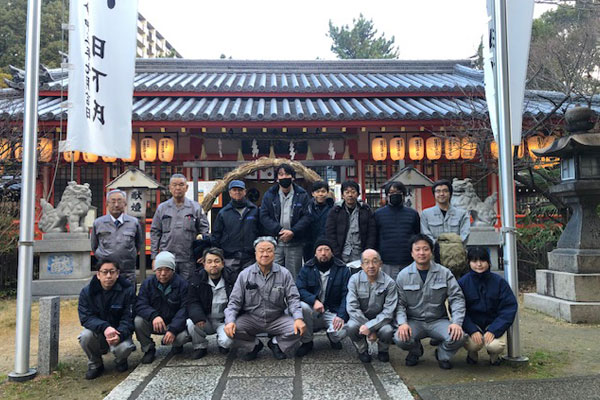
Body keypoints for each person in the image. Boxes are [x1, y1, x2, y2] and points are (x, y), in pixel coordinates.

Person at [224, 236, 306, 361]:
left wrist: (298, 318)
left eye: (269, 250)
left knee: (299, 329)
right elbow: (234, 302)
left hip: (276, 317)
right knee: (231, 331)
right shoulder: (244, 275)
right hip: (252, 318)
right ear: (255, 253)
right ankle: (254, 345)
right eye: (261, 251)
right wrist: (230, 321)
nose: (265, 254)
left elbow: (293, 298)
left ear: (275, 253)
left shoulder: (284, 273)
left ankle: (276, 344)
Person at [394, 234, 467, 370]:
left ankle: (442, 353)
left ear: (431, 251)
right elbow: (399, 304)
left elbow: (456, 299)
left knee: (459, 336)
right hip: (414, 321)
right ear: (412, 253)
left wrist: (457, 323)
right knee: (400, 337)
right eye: (417, 249)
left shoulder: (444, 273)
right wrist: (402, 323)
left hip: (438, 320)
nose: (422, 253)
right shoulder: (403, 275)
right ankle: (415, 350)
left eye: (425, 249)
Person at [78, 259, 136, 379]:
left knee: (125, 348)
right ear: (98, 275)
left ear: (117, 273)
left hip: (119, 333)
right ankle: (95, 364)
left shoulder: (128, 290)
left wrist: (119, 334)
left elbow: (129, 317)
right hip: (99, 333)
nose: (108, 276)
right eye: (105, 272)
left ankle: (121, 360)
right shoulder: (87, 292)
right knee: (85, 336)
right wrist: (105, 327)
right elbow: (86, 317)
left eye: (112, 272)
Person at [459, 246, 518, 365]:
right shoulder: (462, 283)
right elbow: (458, 309)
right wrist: (472, 329)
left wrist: (494, 329)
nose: (479, 264)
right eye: (474, 261)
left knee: (495, 346)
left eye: (482, 260)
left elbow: (509, 307)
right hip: (473, 325)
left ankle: (495, 356)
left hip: (493, 323)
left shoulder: (499, 282)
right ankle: (472, 355)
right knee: (472, 344)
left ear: (489, 262)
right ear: (469, 263)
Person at [295, 238, 350, 356]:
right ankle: (307, 342)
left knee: (342, 332)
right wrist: (313, 300)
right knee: (302, 307)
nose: (323, 253)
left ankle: (333, 337)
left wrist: (341, 315)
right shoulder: (307, 268)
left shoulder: (343, 269)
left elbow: (347, 294)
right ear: (315, 253)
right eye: (320, 250)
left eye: (327, 250)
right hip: (313, 310)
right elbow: (299, 289)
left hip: (333, 310)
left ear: (332, 252)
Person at [134, 251, 190, 364]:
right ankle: (148, 349)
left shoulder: (182, 284)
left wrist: (173, 329)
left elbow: (185, 309)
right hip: (155, 322)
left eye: (167, 270)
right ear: (155, 270)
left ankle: (177, 345)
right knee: (138, 321)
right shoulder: (147, 283)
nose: (163, 273)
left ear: (173, 270)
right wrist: (154, 316)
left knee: (182, 336)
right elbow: (140, 304)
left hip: (173, 324)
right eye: (159, 270)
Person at [151, 173, 209, 280]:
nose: (178, 188)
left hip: (188, 258)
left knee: (187, 289)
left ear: (186, 188)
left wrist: (203, 253)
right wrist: (154, 256)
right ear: (170, 188)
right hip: (166, 257)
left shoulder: (195, 207)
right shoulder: (162, 208)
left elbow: (204, 230)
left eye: (181, 185)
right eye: (174, 185)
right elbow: (155, 232)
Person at [259, 163, 311, 278]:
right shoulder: (270, 194)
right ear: (277, 178)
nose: (284, 177)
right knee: (273, 274)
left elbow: (307, 217)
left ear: (293, 177)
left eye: (287, 174)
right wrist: (279, 230)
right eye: (281, 174)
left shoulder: (302, 194)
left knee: (294, 275)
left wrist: (293, 231)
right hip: (275, 241)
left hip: (295, 242)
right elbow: (263, 216)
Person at [346, 249, 397, 363]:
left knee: (388, 330)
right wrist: (369, 328)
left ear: (380, 264)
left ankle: (383, 350)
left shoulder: (389, 283)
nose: (371, 266)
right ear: (361, 265)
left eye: (375, 261)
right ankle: (362, 350)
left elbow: (389, 311)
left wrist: (371, 326)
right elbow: (352, 307)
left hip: (381, 320)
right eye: (366, 262)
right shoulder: (354, 280)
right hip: (360, 319)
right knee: (350, 326)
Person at [186, 247, 236, 359]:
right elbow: (192, 301)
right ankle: (200, 346)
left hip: (224, 320)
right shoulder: (196, 279)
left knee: (228, 341)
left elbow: (237, 301)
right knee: (190, 322)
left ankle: (222, 344)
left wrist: (231, 320)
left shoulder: (232, 278)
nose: (213, 265)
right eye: (209, 261)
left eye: (217, 261)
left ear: (223, 263)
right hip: (205, 319)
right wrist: (198, 317)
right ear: (204, 264)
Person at [91, 189, 144, 285]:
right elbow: (94, 246)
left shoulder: (133, 222)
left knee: (128, 297)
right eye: (113, 201)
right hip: (107, 272)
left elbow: (138, 244)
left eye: (119, 201)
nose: (116, 205)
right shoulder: (98, 223)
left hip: (127, 271)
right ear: (107, 204)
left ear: (125, 204)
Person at [210, 180, 259, 280]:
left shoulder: (254, 210)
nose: (237, 192)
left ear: (245, 192)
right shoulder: (223, 213)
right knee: (231, 286)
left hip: (250, 257)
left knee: (251, 285)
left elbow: (261, 231)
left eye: (240, 190)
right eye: (234, 190)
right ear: (230, 193)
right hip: (230, 258)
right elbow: (216, 236)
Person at [373, 182, 420, 280]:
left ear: (403, 195)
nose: (395, 194)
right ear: (387, 195)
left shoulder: (413, 214)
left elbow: (417, 236)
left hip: (408, 260)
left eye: (398, 192)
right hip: (386, 261)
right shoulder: (378, 214)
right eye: (391, 192)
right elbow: (374, 238)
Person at [326, 180, 376, 263]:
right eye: (347, 192)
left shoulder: (366, 210)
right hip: (341, 253)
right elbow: (330, 233)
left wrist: (368, 251)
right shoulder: (335, 211)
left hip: (361, 253)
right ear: (342, 195)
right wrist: (336, 252)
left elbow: (372, 232)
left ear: (358, 194)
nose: (350, 195)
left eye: (353, 192)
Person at [420, 179, 470, 262]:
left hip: (457, 256)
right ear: (434, 194)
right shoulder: (426, 214)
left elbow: (465, 234)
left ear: (450, 193)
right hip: (435, 257)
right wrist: (439, 248)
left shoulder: (462, 214)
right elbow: (426, 235)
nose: (441, 194)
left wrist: (453, 248)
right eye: (438, 191)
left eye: (445, 191)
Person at [302, 180, 334, 262]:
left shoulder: (333, 208)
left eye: (323, 191)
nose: (320, 194)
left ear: (327, 193)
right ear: (313, 193)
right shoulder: (307, 208)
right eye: (317, 191)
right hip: (309, 245)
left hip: (327, 244)